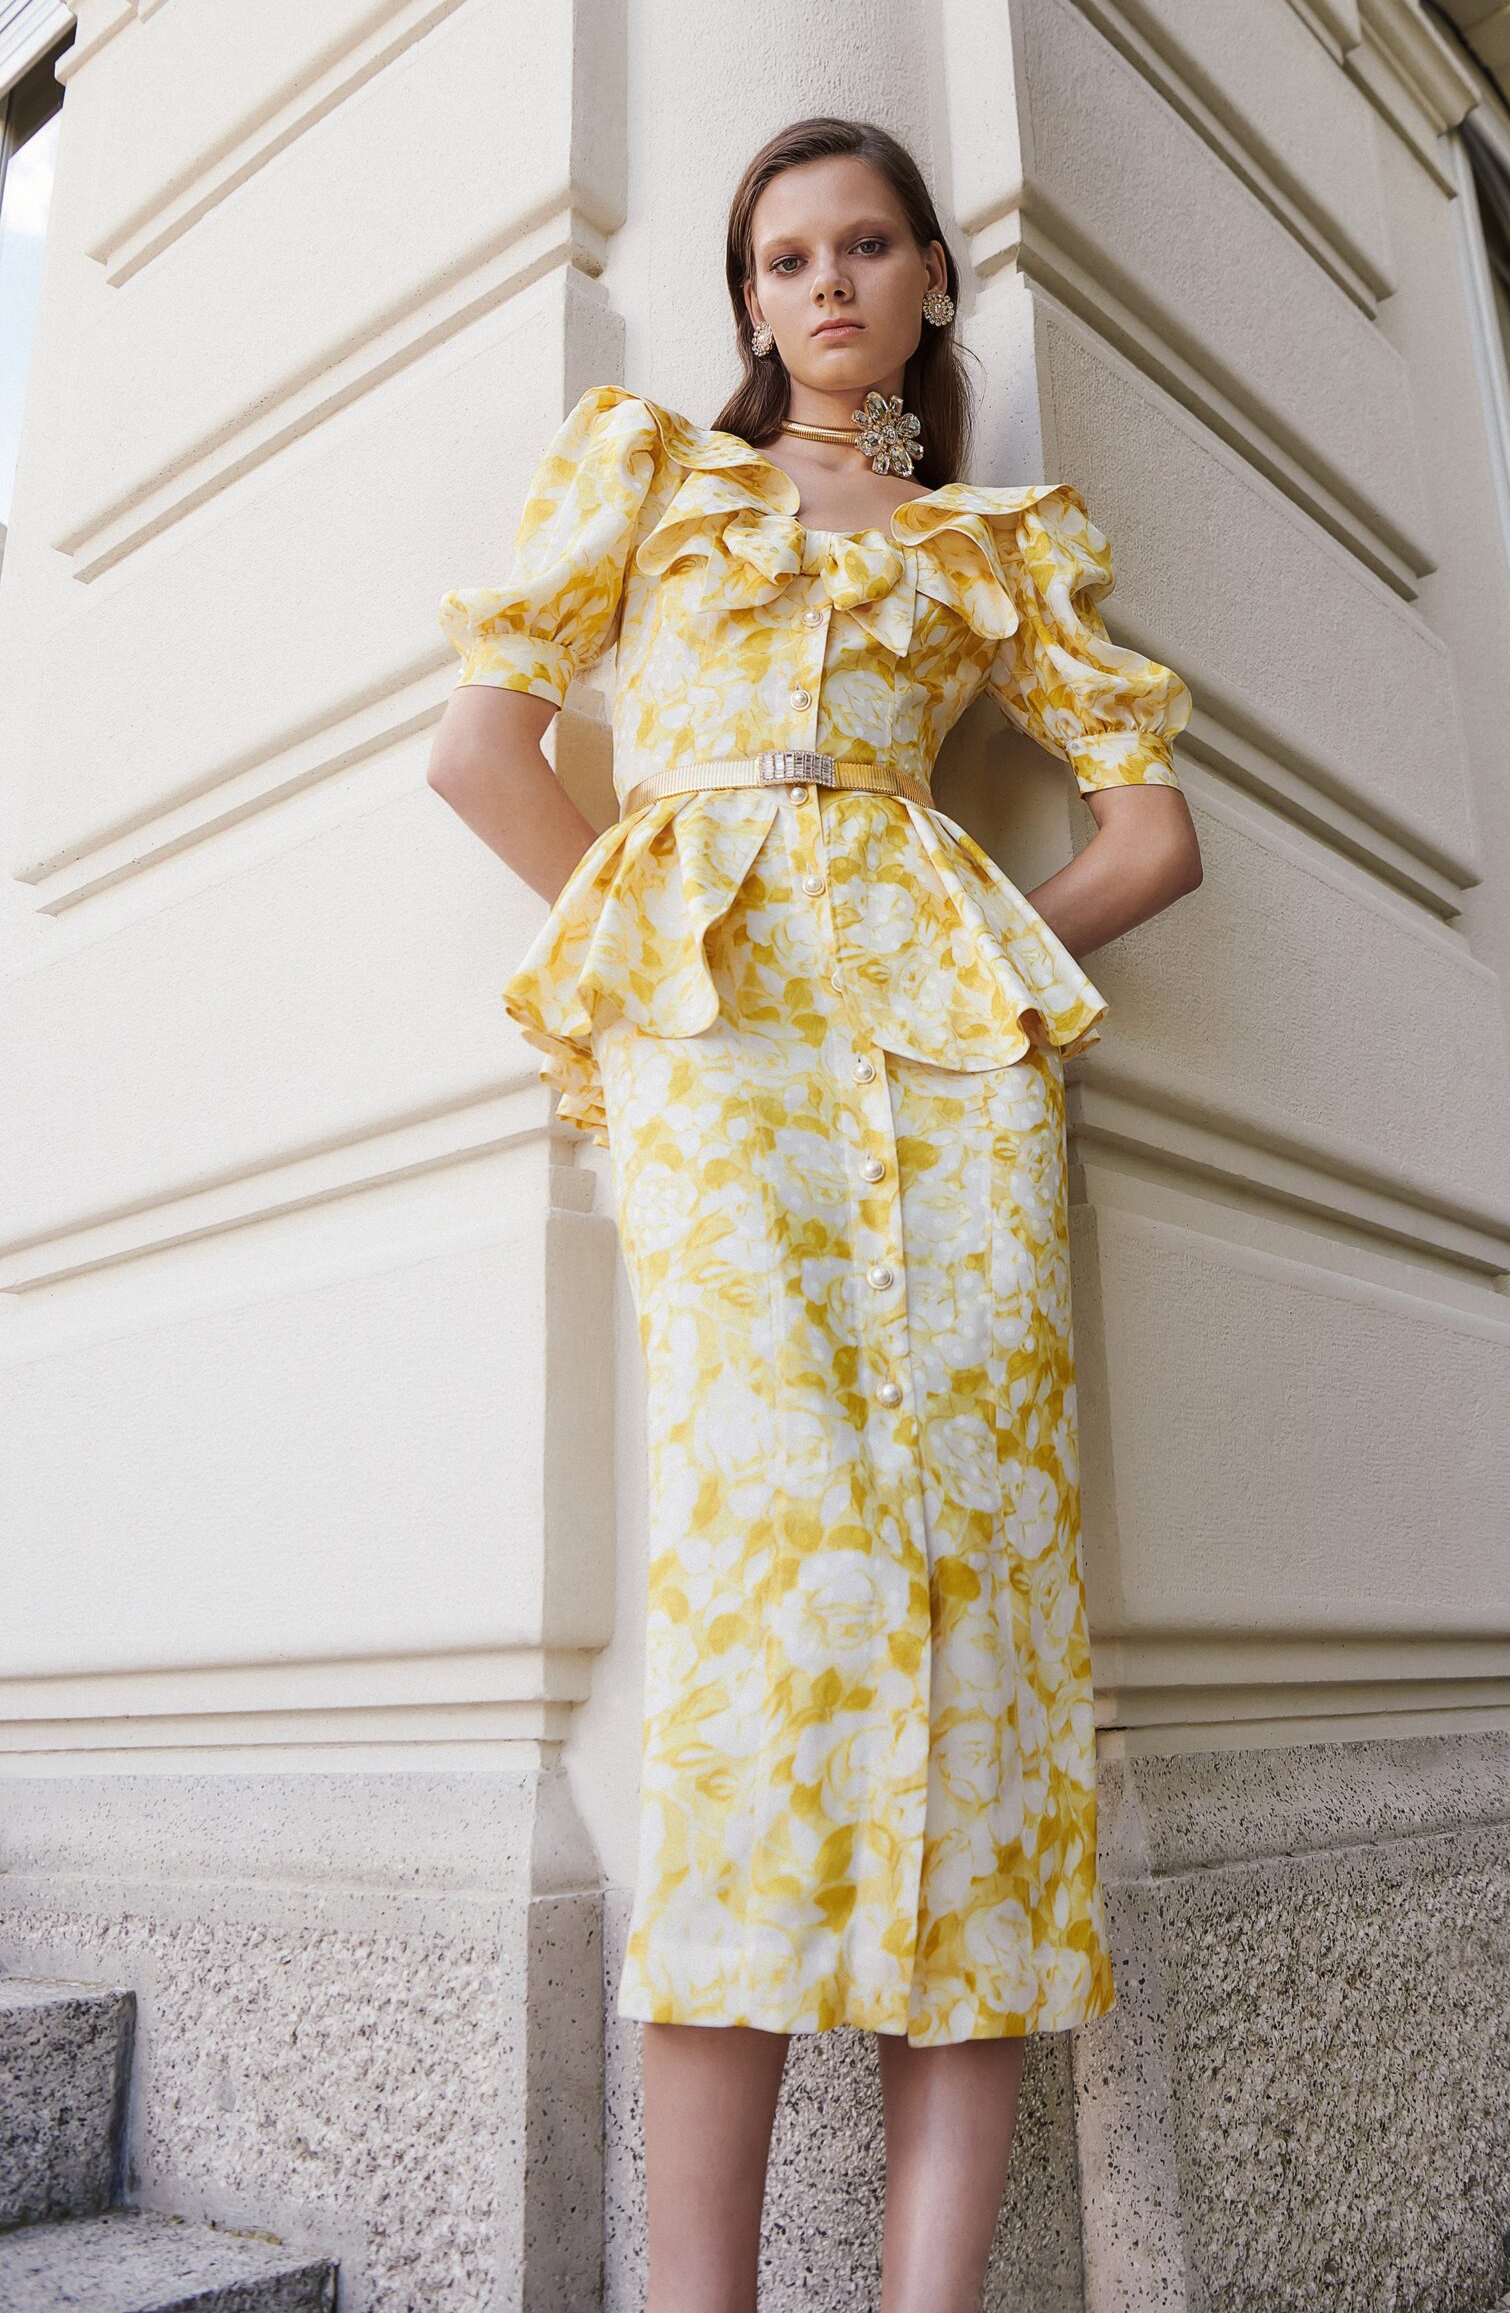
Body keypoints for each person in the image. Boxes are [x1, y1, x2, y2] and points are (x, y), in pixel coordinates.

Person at [427, 114, 1203, 2313]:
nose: (825, 283)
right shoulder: (652, 476)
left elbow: (1148, 832)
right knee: (766, 1613)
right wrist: (657, 951)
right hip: (716, 1070)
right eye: (783, 254)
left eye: (865, 245)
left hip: (954, 1097)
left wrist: (982, 970)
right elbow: (483, 745)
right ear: (746, 292)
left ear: (929, 278)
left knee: (983, 1610)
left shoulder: (984, 549)